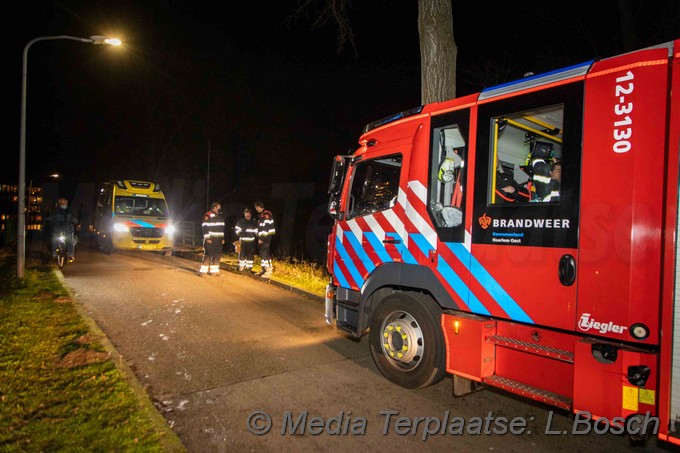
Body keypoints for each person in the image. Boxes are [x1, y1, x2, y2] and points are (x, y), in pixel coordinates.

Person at [45, 197, 78, 262]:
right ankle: (54, 255)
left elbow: (75, 218)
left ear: (66, 202)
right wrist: (47, 219)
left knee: (70, 240)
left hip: (68, 229)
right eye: (61, 201)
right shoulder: (55, 210)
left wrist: (75, 220)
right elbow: (51, 217)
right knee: (54, 240)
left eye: (64, 201)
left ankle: (70, 255)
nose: (63, 202)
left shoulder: (70, 210)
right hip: (57, 229)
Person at [198, 202, 225, 277]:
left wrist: (222, 238)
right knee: (208, 255)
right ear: (215, 207)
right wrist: (207, 238)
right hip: (211, 239)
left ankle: (214, 271)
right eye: (219, 207)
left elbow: (222, 228)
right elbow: (204, 227)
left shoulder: (220, 216)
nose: (220, 209)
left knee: (217, 255)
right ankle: (203, 272)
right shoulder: (207, 215)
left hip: (218, 240)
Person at [254, 200, 276, 277]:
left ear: (259, 206)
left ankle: (269, 270)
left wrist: (262, 239)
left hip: (266, 238)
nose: (256, 209)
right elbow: (259, 228)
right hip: (261, 238)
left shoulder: (266, 214)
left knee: (265, 254)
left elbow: (266, 228)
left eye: (256, 208)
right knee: (262, 254)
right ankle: (264, 270)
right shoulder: (261, 216)